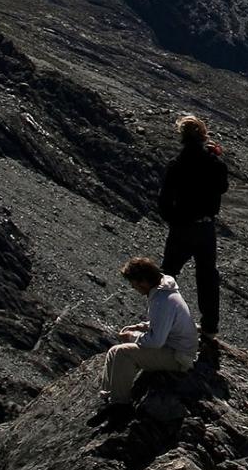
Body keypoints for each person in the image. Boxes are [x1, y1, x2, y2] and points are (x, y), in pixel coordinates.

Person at [94, 257, 197, 419]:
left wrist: (131, 336)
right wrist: (141, 327)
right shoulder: (163, 292)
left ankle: (121, 406)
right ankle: (109, 396)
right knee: (114, 352)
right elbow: (164, 322)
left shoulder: (163, 301)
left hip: (179, 356)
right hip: (175, 347)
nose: (133, 287)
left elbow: (156, 341)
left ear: (143, 281)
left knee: (123, 353)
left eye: (133, 282)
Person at [158, 114, 229, 338]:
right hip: (206, 228)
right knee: (207, 276)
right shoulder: (213, 163)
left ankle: (161, 323)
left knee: (167, 275)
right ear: (203, 135)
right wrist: (216, 158)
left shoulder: (176, 164)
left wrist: (173, 220)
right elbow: (223, 187)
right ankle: (209, 329)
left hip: (181, 228)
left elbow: (164, 200)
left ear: (182, 137)